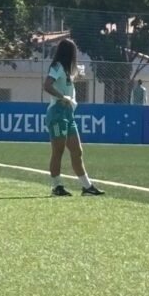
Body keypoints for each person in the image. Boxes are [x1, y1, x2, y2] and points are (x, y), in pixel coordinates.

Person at [43, 38, 104, 197]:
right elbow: (47, 85)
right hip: (57, 112)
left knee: (77, 151)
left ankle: (87, 187)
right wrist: (62, 97)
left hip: (69, 114)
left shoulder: (68, 69)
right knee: (58, 151)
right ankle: (56, 187)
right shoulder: (57, 67)